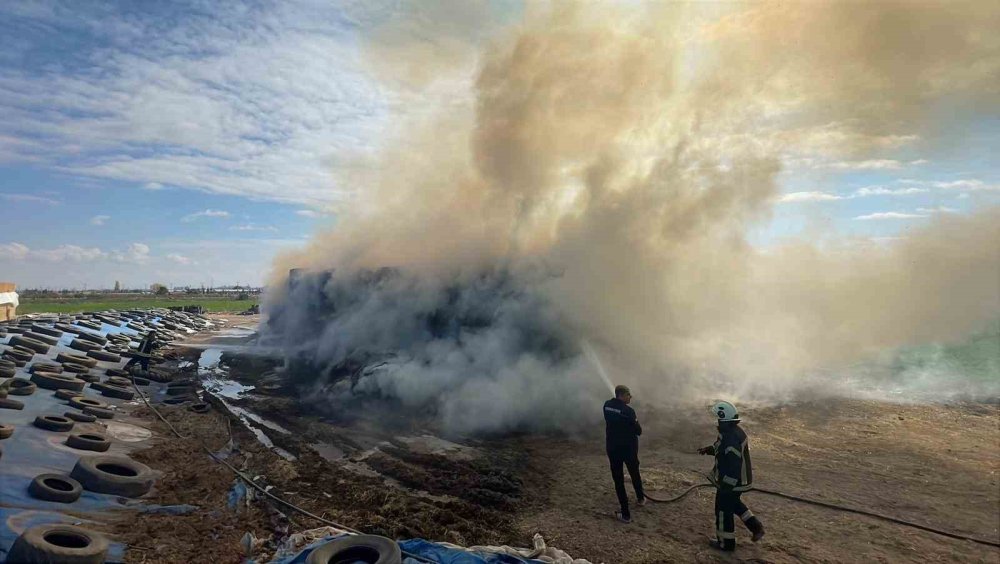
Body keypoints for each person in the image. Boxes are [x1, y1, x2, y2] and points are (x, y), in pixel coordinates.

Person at [698, 400, 765, 550]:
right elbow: (721, 449)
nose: (717, 422)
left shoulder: (730, 438)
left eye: (719, 419)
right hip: (739, 481)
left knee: (723, 510)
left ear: (724, 419)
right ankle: (756, 527)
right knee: (734, 504)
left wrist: (727, 485)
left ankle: (726, 543)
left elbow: (734, 464)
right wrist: (708, 449)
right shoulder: (732, 432)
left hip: (733, 481)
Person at [604, 384, 645, 523]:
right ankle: (640, 499)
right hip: (628, 450)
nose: (630, 397)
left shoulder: (606, 406)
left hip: (613, 449)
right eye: (628, 395)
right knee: (634, 473)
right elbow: (639, 431)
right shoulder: (629, 411)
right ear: (621, 395)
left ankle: (625, 512)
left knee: (618, 481)